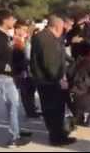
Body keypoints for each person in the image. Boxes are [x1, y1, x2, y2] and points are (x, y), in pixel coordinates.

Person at [0, 9, 32, 147]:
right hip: (3, 77)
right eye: (12, 19)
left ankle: (16, 131)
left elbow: (8, 55)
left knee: (12, 105)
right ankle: (14, 138)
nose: (14, 21)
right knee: (13, 105)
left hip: (6, 76)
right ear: (5, 20)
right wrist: (6, 67)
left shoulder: (4, 36)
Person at [30, 15, 77, 146]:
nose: (63, 30)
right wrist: (59, 79)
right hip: (49, 81)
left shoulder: (45, 36)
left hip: (46, 80)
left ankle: (58, 133)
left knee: (53, 110)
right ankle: (57, 138)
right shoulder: (47, 40)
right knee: (54, 110)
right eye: (62, 27)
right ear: (57, 26)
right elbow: (49, 64)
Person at [12, 20, 40, 118]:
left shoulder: (24, 39)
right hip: (21, 70)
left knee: (30, 90)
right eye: (23, 29)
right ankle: (30, 111)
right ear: (17, 29)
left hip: (27, 69)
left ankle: (32, 108)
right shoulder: (15, 40)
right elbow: (18, 56)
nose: (25, 31)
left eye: (26, 30)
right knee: (25, 91)